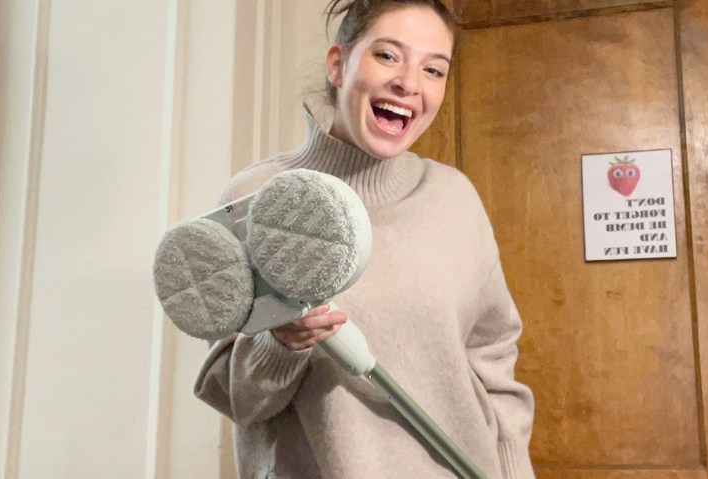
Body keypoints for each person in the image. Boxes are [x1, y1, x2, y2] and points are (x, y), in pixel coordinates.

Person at [195, 1, 535, 477]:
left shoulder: (454, 199)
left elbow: (495, 362)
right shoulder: (254, 198)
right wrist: (281, 344)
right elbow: (239, 401)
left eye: (434, 69)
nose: (410, 83)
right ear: (338, 65)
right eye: (388, 56)